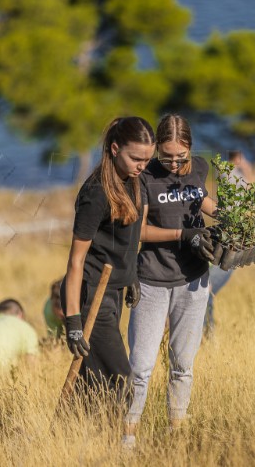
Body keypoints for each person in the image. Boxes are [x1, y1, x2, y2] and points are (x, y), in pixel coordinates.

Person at [123, 114, 217, 449]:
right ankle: (127, 438)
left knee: (182, 365)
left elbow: (200, 198)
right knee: (141, 366)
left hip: (194, 281)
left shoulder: (200, 167)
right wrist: (183, 234)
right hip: (152, 280)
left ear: (191, 149)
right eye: (167, 157)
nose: (175, 163)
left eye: (182, 156)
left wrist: (223, 214)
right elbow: (140, 230)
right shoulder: (145, 176)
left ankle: (177, 433)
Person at [60, 116, 155, 404]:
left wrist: (132, 275)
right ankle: (115, 446)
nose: (142, 165)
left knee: (93, 389)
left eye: (147, 159)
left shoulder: (135, 181)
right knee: (122, 385)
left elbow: (130, 239)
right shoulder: (96, 193)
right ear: (115, 149)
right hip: (90, 297)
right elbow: (75, 261)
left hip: (112, 292)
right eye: (136, 158)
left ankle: (72, 443)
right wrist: (74, 321)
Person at [203, 149, 255, 335]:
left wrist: (247, 169)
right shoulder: (225, 171)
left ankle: (209, 331)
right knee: (207, 291)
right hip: (227, 221)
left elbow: (253, 188)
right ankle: (208, 331)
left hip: (237, 224)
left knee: (208, 292)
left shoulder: (240, 173)